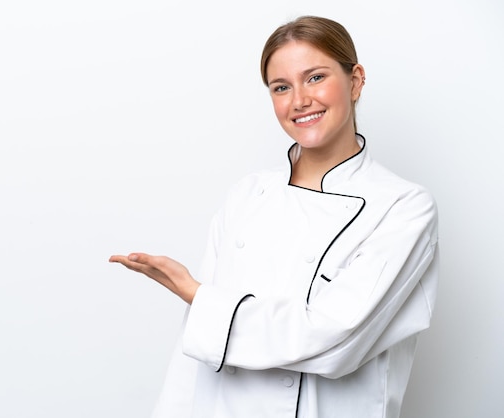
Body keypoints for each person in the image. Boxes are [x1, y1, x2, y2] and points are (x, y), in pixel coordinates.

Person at [110, 15, 439, 418]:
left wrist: (199, 296)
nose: (299, 100)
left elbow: (337, 341)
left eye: (315, 78)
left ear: (355, 80)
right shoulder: (248, 195)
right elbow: (193, 355)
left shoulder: (402, 207)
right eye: (281, 87)